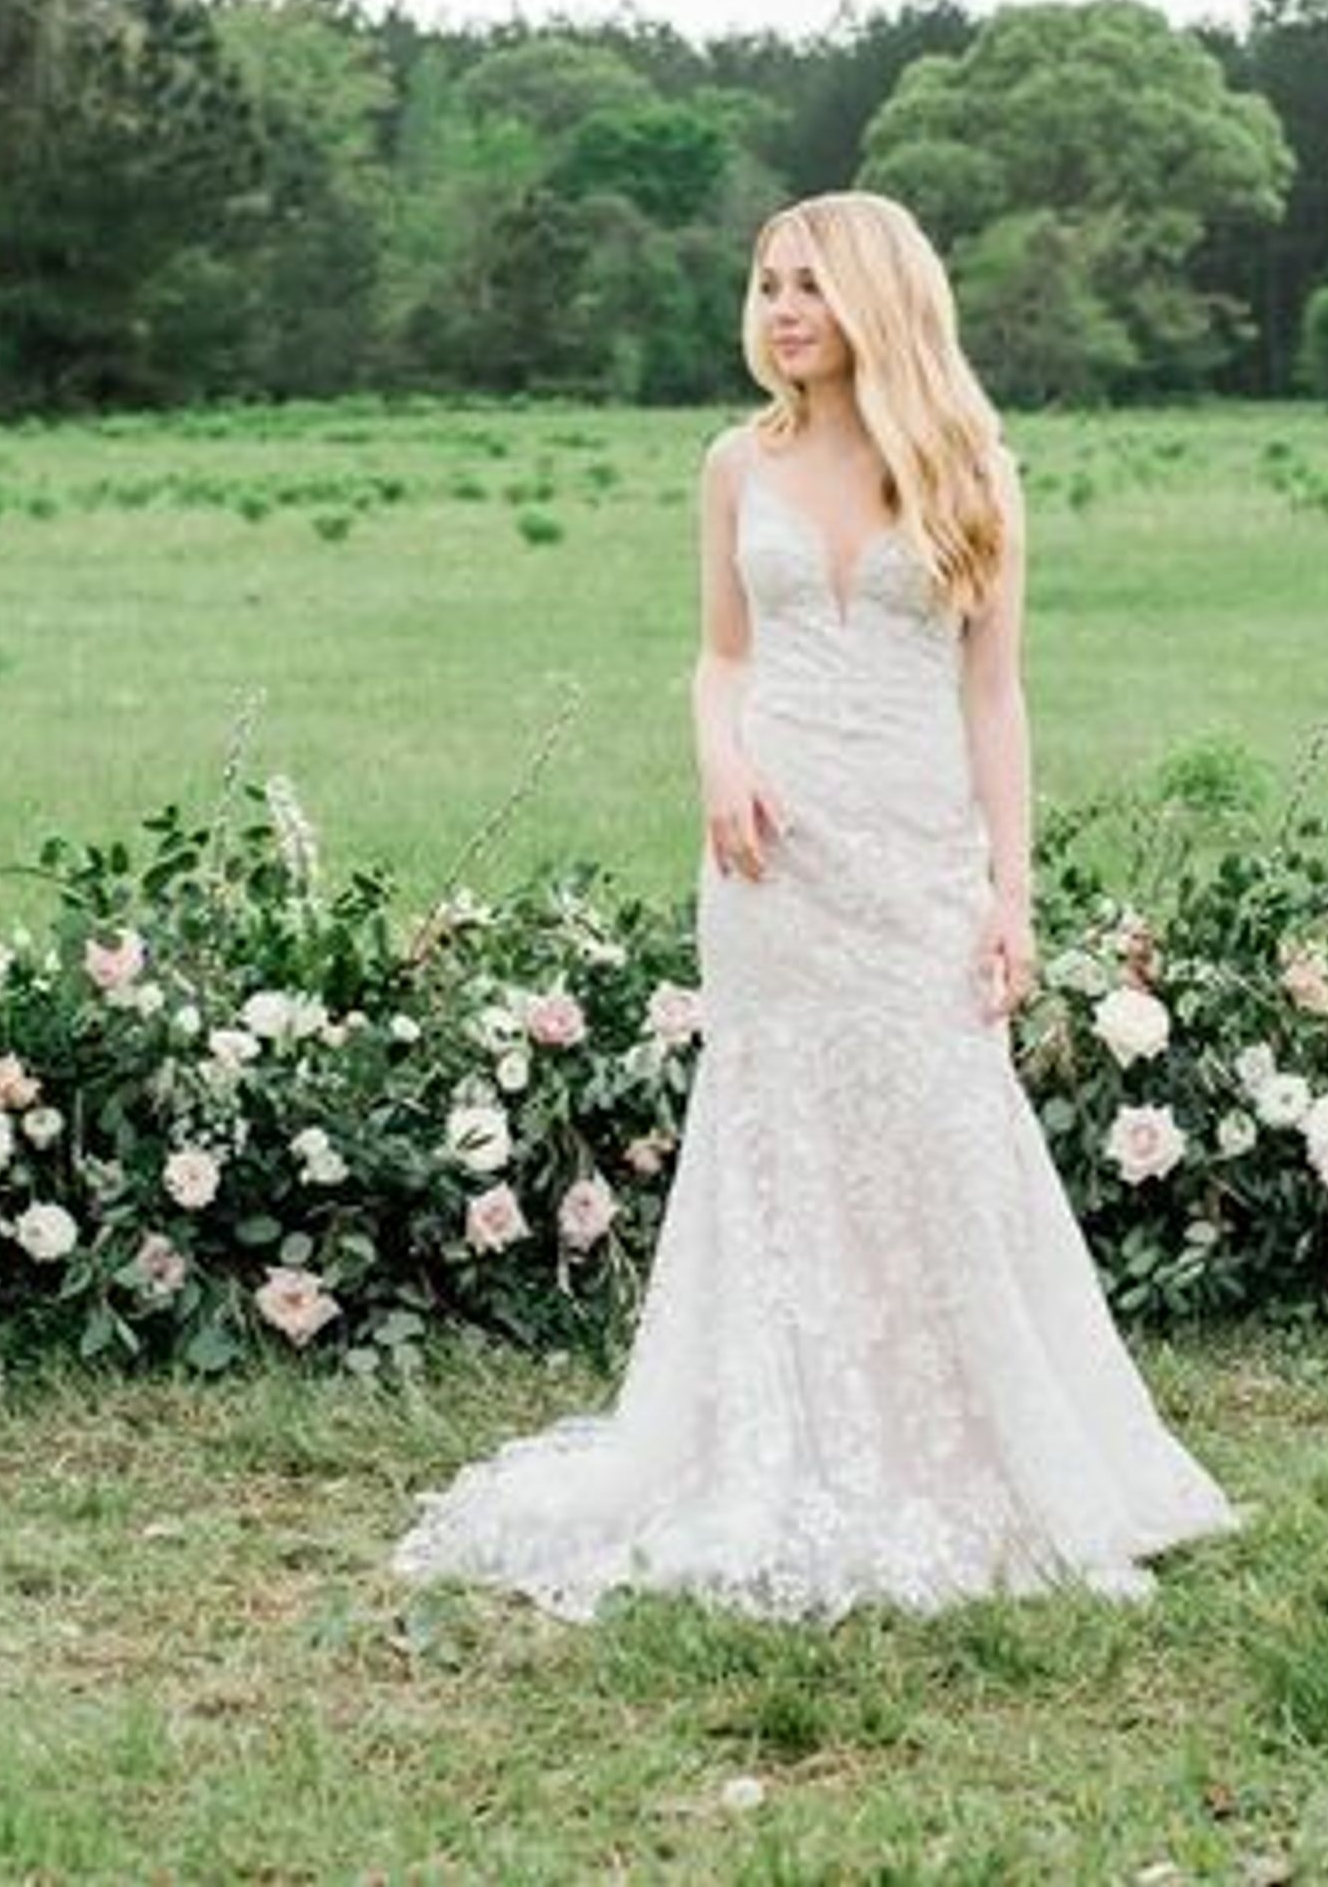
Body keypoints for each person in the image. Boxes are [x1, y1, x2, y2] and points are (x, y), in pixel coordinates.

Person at [391, 190, 1238, 1621]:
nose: (782, 311)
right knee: (780, 1136)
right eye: (768, 285)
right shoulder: (736, 464)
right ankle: (779, 1436)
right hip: (773, 861)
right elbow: (719, 659)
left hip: (914, 855)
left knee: (936, 1128)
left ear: (876, 303)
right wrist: (720, 761)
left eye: (810, 287)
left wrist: (1009, 895)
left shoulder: (973, 469)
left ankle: (966, 1447)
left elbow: (996, 694)